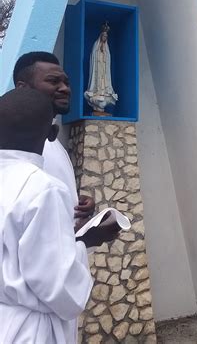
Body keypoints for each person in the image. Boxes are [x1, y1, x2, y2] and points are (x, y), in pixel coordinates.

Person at [0, 88, 93, 343]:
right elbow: (59, 287)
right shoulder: (43, 188)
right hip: (28, 330)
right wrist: (86, 243)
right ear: (52, 134)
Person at [13, 51, 95, 225]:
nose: (65, 88)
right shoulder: (16, 140)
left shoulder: (52, 139)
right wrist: (88, 239)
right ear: (22, 88)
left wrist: (74, 199)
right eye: (53, 81)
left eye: (66, 82)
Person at [84, 22, 118, 113]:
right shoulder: (96, 45)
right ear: (101, 36)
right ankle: (96, 94)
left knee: (104, 82)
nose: (104, 38)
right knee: (98, 82)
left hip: (104, 70)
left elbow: (108, 58)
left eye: (106, 37)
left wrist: (105, 56)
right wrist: (99, 55)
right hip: (97, 69)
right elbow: (94, 56)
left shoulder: (106, 48)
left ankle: (104, 94)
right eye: (103, 36)